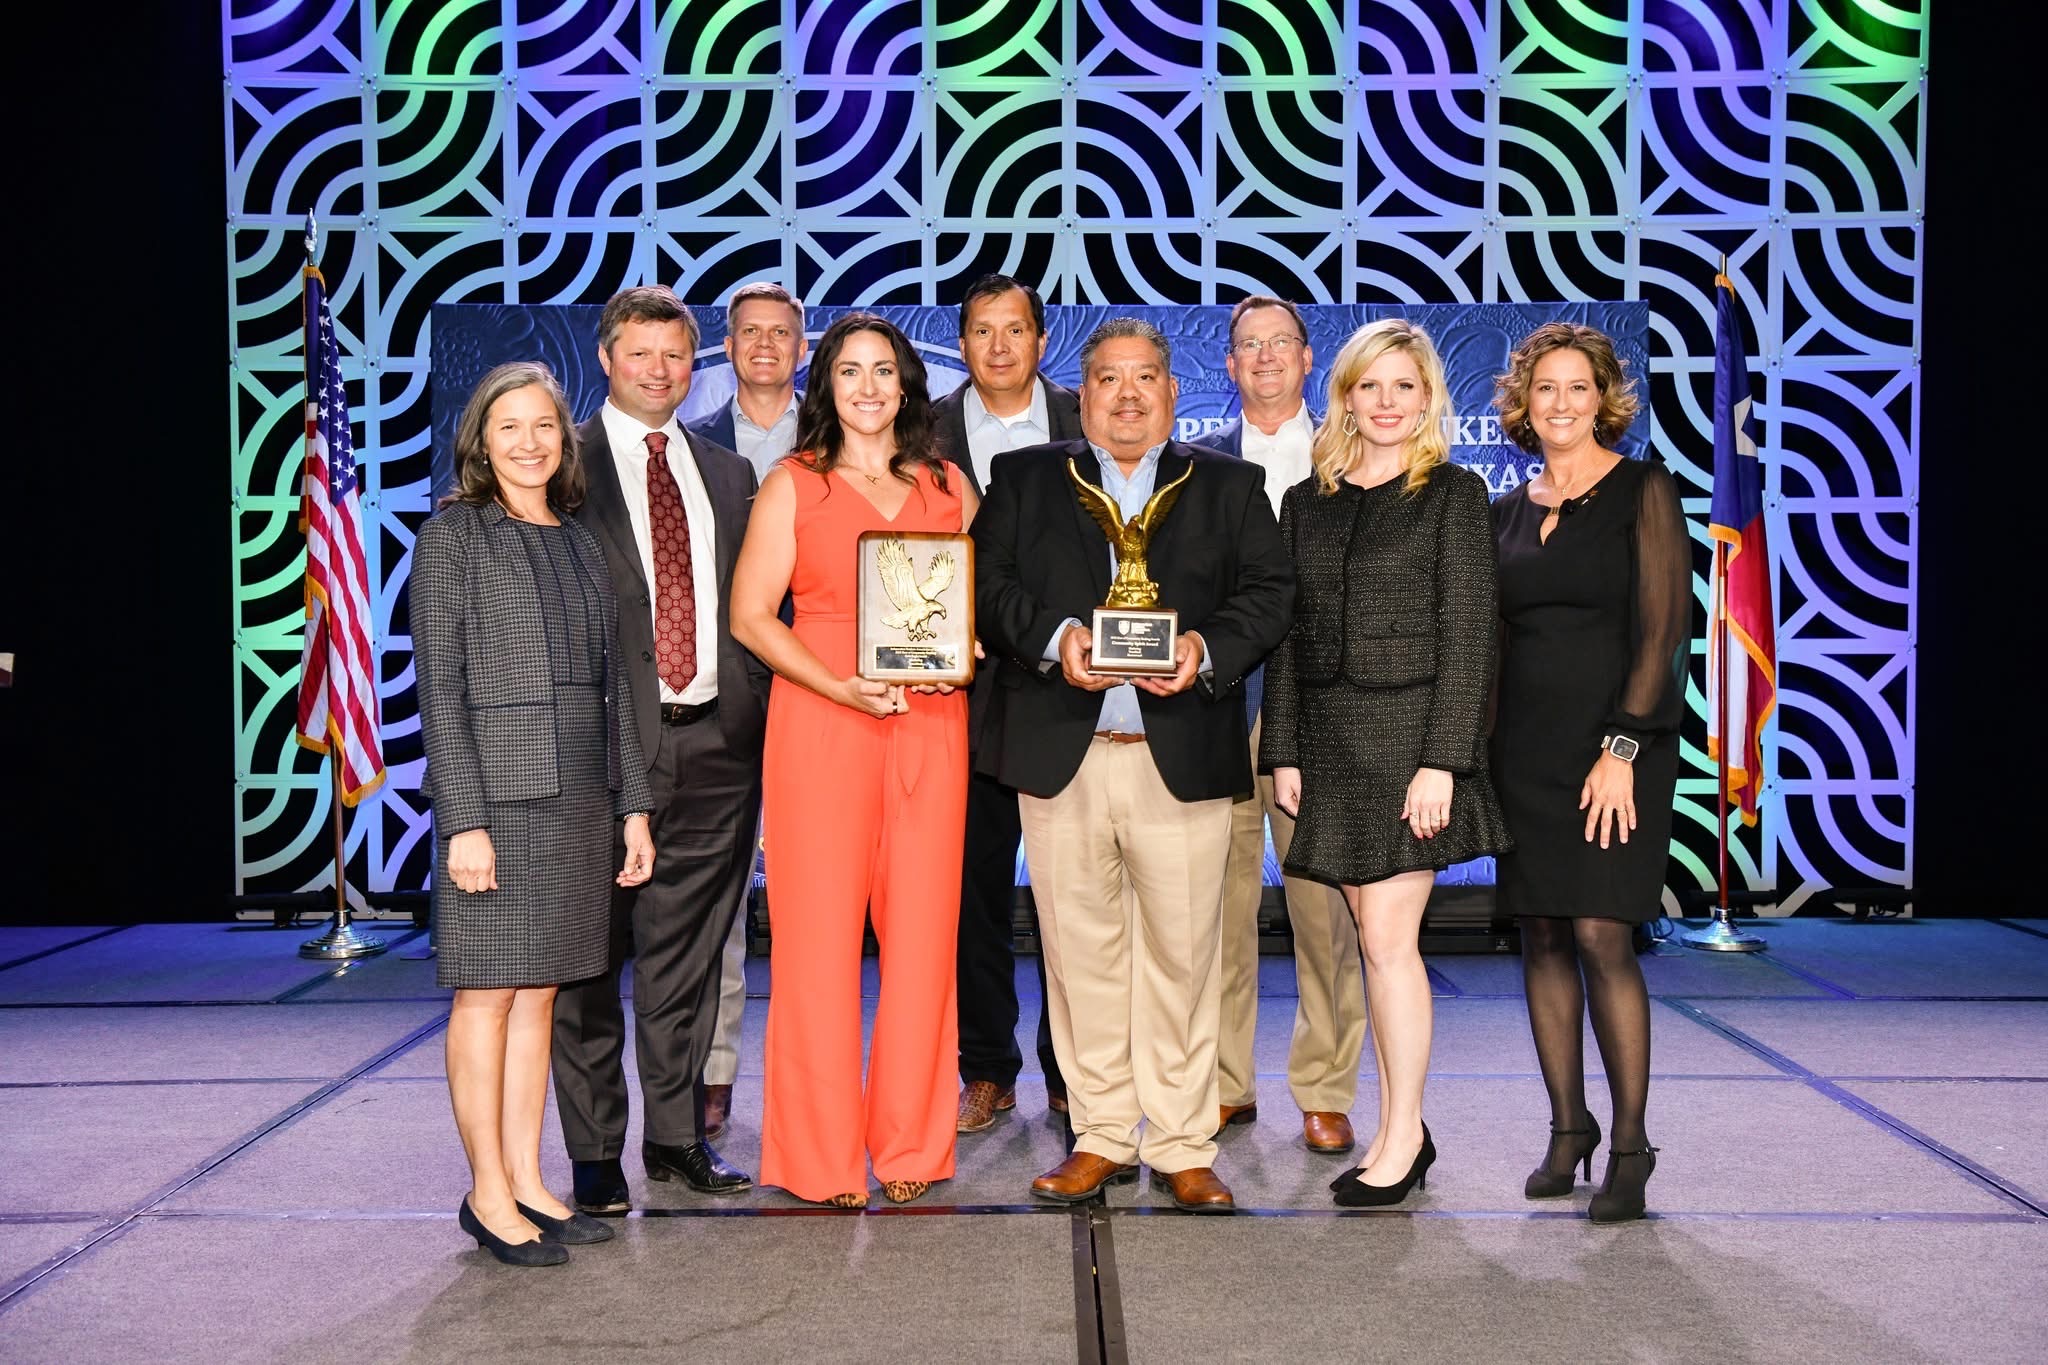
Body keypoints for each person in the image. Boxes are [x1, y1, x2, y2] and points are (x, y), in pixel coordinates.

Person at [973, 318, 1294, 1213]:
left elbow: (1271, 595)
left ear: (1172, 389)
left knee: (1185, 957)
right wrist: (1056, 638)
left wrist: (1204, 648)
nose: (1126, 395)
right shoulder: (1028, 478)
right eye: (1108, 379)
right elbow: (987, 585)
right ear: (1084, 391)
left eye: (1144, 377)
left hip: (1180, 755)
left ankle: (1186, 1142)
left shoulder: (1228, 485)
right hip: (1064, 755)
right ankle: (1103, 1136)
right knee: (1080, 960)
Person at [1262, 319, 1511, 1207]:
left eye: (1405, 386)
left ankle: (1401, 1132)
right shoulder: (1309, 500)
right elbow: (1288, 641)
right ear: (1345, 396)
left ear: (1428, 396)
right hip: (1329, 743)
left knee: (1387, 941)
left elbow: (1470, 637)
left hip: (1411, 741)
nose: (1388, 403)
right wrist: (1284, 747)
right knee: (1370, 942)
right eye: (1371, 386)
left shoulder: (1454, 493)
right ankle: (1403, 1123)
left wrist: (1444, 760)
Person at [413, 361, 654, 1265]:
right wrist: (462, 820)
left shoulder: (580, 540)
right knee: (487, 995)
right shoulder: (454, 537)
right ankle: (485, 1190)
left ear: (566, 439)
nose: (529, 443)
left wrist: (632, 806)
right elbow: (440, 691)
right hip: (499, 804)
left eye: (545, 426)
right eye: (509, 426)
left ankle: (526, 1177)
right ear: (481, 438)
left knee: (541, 992)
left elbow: (612, 695)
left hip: (580, 801)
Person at [731, 313, 974, 1207]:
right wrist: (841, 686)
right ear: (823, 386)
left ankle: (911, 1145)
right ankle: (820, 1156)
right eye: (849, 372)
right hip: (821, 725)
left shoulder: (948, 483)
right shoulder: (792, 484)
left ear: (907, 384)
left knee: (921, 944)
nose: (868, 388)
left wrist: (970, 643)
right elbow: (752, 616)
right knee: (815, 948)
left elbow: (981, 594)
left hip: (930, 723)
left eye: (883, 371)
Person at [550, 285, 769, 1215]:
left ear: (696, 362)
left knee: (686, 960)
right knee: (588, 963)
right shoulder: (560, 465)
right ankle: (596, 1154)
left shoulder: (726, 472)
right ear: (606, 358)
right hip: (601, 758)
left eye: (675, 355)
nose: (658, 370)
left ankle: (677, 1138)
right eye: (640, 353)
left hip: (717, 748)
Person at [1489, 321, 1689, 1223]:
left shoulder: (1645, 489)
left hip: (1618, 751)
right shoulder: (1506, 509)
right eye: (1545, 389)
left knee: (1604, 934)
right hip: (1524, 753)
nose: (1561, 403)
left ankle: (1632, 1141)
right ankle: (1569, 1126)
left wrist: (1623, 746)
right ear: (1523, 404)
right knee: (1541, 932)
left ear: (1604, 398)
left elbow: (1662, 632)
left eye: (1577, 388)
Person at [1192, 296, 1366, 1157]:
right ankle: (1225, 1083)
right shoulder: (1192, 465)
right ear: (1227, 366)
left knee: (1323, 913)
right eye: (1247, 346)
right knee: (1216, 910)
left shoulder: (1352, 458)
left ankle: (1326, 1086)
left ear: (1308, 360)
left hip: (1323, 718)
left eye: (1279, 344)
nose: (1263, 358)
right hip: (1218, 708)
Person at [929, 273, 1082, 1134]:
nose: (998, 346)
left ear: (1040, 340)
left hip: (1070, 690)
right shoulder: (925, 430)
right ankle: (986, 1067)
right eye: (981, 330)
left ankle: (1072, 1068)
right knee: (971, 893)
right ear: (962, 342)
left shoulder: (1084, 418)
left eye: (1013, 329)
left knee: (1075, 896)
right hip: (962, 696)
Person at [684, 281, 809, 1138]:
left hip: (826, 691)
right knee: (719, 896)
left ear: (805, 348)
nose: (765, 344)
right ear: (727, 347)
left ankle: (817, 1072)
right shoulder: (691, 449)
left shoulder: (845, 437)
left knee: (820, 898)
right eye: (749, 332)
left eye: (781, 333)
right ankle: (713, 1065)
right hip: (722, 693)